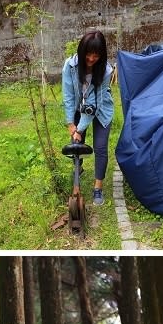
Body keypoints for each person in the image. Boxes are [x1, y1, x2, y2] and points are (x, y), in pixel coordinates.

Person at [62, 30, 115, 206]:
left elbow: (94, 103)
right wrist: (71, 124)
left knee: (100, 147)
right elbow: (68, 96)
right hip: (78, 108)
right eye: (88, 54)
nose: (92, 59)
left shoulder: (106, 70)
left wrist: (81, 128)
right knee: (76, 145)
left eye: (96, 55)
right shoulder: (70, 66)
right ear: (81, 51)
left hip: (101, 109)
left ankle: (98, 188)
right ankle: (77, 183)